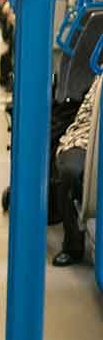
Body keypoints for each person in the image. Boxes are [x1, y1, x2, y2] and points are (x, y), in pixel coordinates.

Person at [51, 74, 100, 266]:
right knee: (70, 170)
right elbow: (86, 118)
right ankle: (73, 244)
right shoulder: (100, 78)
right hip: (87, 136)